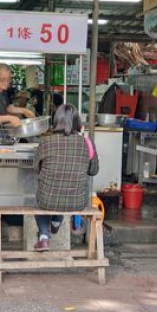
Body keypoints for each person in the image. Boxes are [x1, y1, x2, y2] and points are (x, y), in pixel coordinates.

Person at [33, 103, 99, 252]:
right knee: (62, 192)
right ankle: (56, 222)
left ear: (56, 121)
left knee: (40, 198)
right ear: (77, 122)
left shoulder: (46, 142)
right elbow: (93, 171)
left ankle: (44, 237)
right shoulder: (87, 143)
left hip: (47, 200)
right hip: (77, 202)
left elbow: (35, 169)